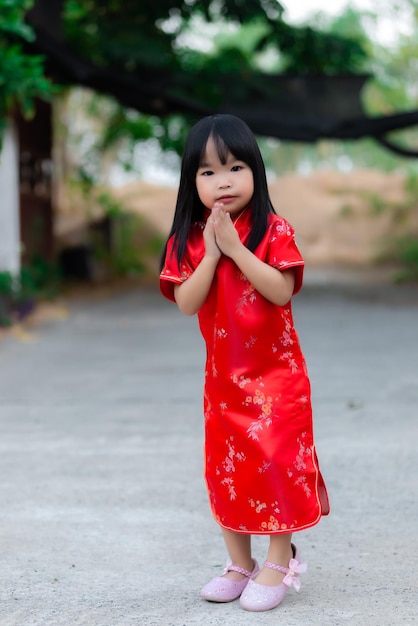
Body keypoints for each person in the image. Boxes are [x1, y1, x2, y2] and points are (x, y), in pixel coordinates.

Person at [159, 114, 329, 613]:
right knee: (228, 469)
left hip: (277, 378)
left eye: (234, 166)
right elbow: (187, 302)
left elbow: (280, 289)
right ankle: (239, 562)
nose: (223, 181)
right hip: (224, 382)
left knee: (277, 465)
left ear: (255, 170)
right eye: (208, 172)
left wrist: (236, 248)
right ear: (192, 181)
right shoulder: (188, 239)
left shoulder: (273, 229)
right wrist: (212, 254)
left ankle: (279, 558)